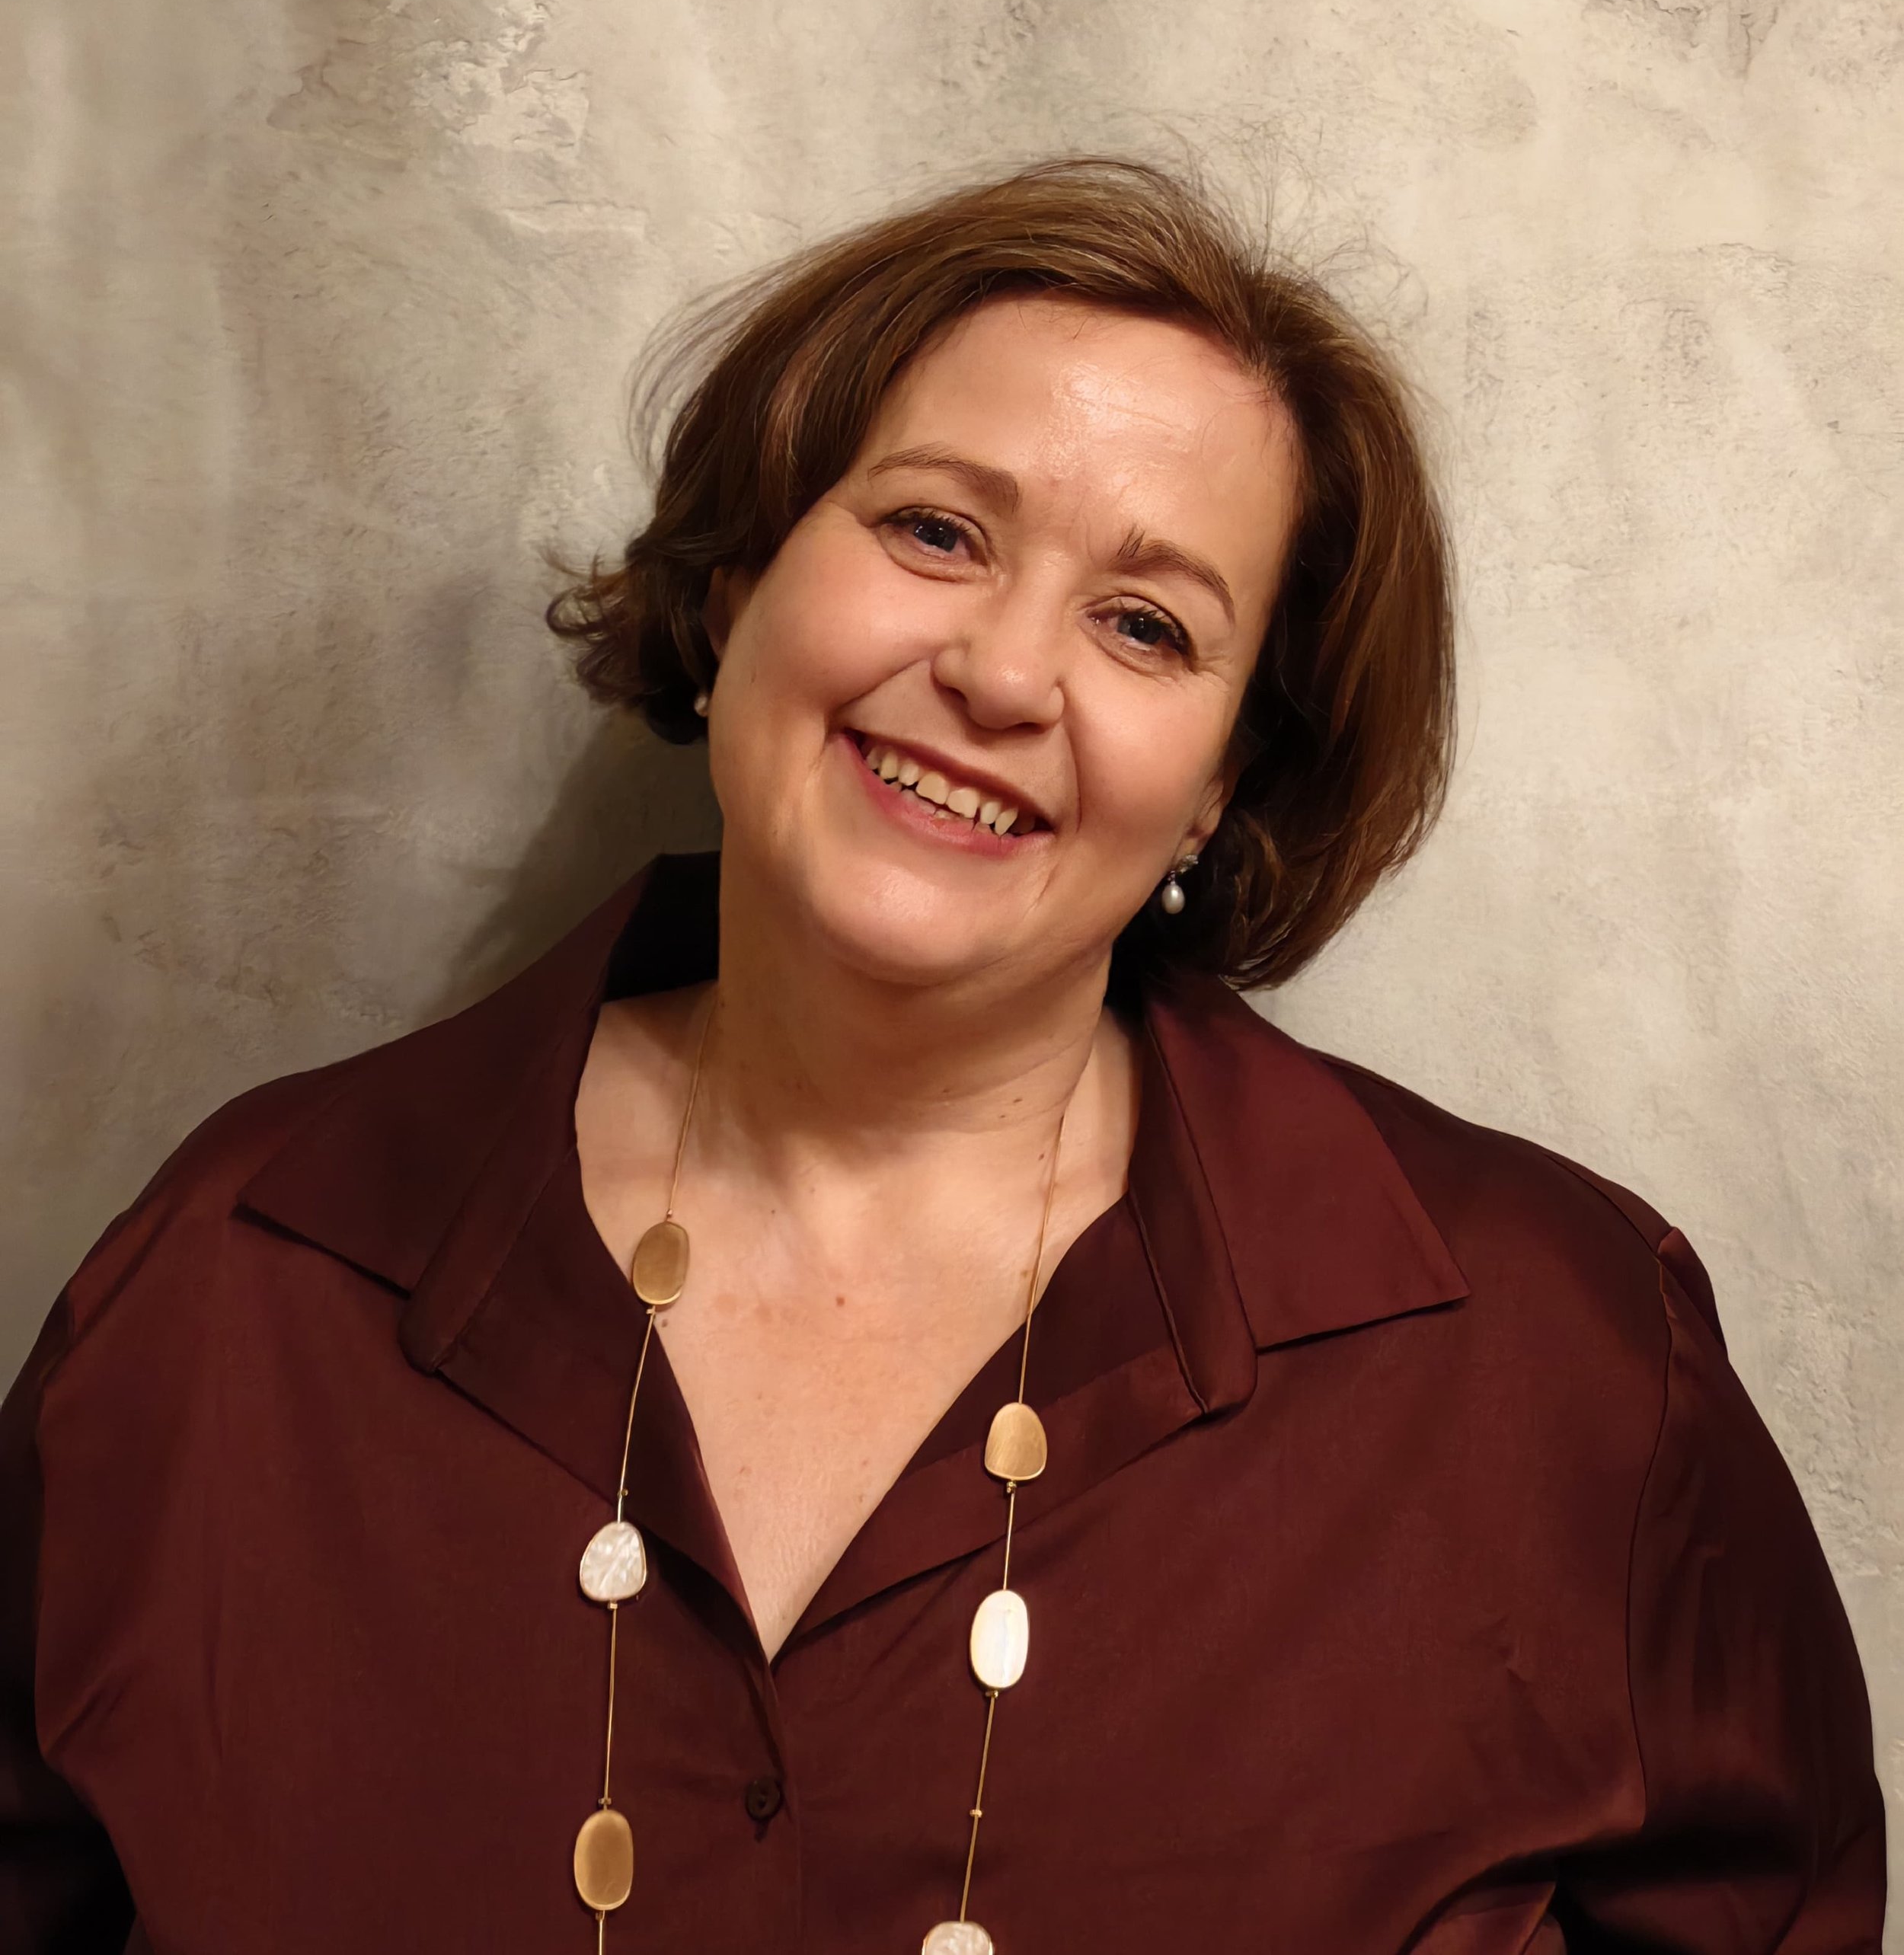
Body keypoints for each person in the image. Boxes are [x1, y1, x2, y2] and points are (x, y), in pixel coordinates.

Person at [0, 160, 1883, 1953]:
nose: (999, 672)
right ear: (740, 579)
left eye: (1146, 625)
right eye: (932, 529)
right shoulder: (239, 1273)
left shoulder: (1553, 1364)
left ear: (1227, 780)